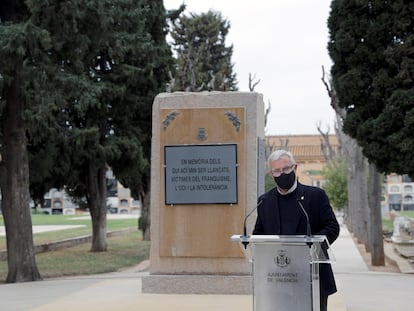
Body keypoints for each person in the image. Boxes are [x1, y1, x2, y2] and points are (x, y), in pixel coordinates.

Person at [253, 149, 340, 311]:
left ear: (295, 167)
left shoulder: (316, 196)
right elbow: (258, 234)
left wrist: (310, 246)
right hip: (278, 278)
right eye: (277, 171)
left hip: (311, 276)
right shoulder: (265, 201)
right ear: (272, 174)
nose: (282, 174)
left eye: (286, 169)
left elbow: (332, 228)